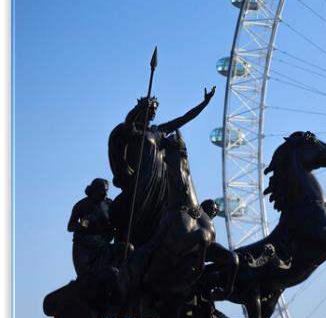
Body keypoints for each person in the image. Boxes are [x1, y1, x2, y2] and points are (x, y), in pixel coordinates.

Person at [108, 87, 216, 246]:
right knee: (138, 211)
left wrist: (204, 103)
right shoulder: (135, 132)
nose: (154, 113)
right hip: (144, 179)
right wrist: (139, 107)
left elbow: (184, 118)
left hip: (162, 180)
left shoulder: (159, 130)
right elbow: (128, 122)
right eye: (151, 109)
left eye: (155, 110)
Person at [67, 178, 116, 277]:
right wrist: (81, 225)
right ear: (95, 190)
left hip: (103, 245)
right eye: (103, 191)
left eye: (107, 191)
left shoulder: (109, 204)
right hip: (85, 248)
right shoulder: (81, 205)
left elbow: (115, 222)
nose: (106, 194)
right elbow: (70, 226)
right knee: (89, 277)